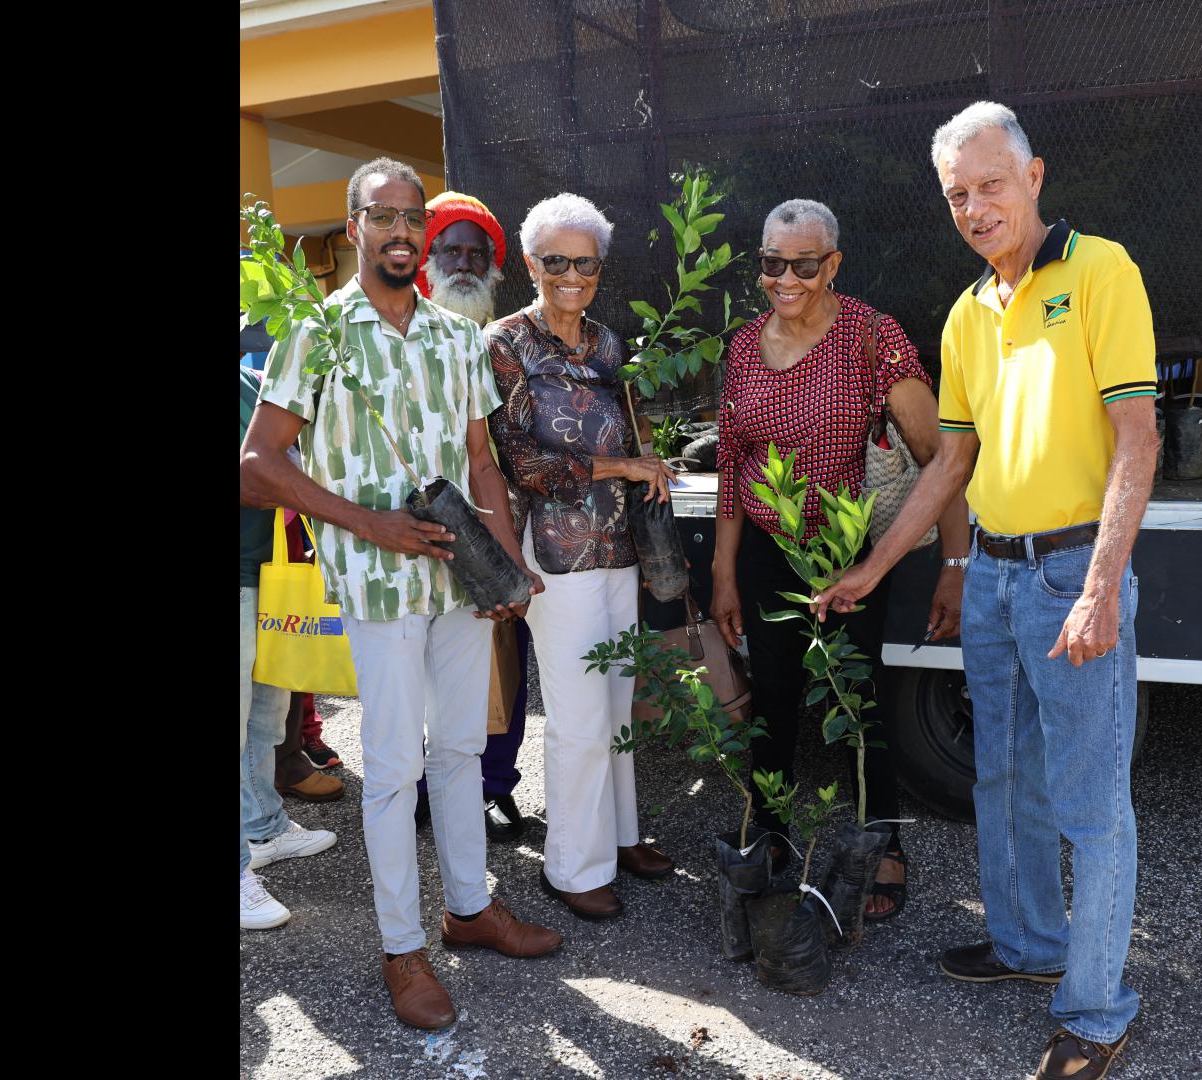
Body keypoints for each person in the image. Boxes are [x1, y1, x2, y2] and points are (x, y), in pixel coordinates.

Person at [814, 102, 1159, 1080]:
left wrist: (1101, 587)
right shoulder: (968, 314)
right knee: (1003, 778)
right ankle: (1026, 948)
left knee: (1094, 811)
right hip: (1000, 577)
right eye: (957, 193)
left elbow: (1139, 440)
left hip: (1069, 572)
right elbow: (949, 463)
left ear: (1035, 176)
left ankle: (1095, 1015)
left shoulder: (1101, 272)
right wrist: (878, 569)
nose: (975, 205)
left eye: (990, 184)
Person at [241, 158, 562, 1031]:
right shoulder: (318, 331)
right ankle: (400, 949)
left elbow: (480, 462)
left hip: (460, 578)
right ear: (352, 228)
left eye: (412, 216)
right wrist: (367, 523)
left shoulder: (460, 337)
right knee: (390, 771)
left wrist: (507, 561)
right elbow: (257, 467)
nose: (400, 230)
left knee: (461, 748)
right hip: (378, 582)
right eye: (381, 214)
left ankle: (468, 909)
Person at [710, 198, 970, 923]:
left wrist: (956, 562)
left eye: (803, 263)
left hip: (849, 551)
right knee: (775, 697)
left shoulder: (869, 334)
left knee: (861, 700)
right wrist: (725, 571)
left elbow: (937, 454)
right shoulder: (741, 347)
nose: (785, 278)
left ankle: (883, 838)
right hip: (768, 547)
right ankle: (769, 837)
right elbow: (734, 463)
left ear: (833, 264)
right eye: (772, 262)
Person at [484, 192, 675, 922]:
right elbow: (518, 458)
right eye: (556, 262)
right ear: (531, 264)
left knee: (619, 701)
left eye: (584, 263)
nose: (571, 275)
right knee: (576, 717)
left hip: (619, 545)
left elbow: (627, 429)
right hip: (553, 551)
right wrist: (619, 469)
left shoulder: (610, 344)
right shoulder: (504, 343)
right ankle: (571, 866)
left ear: (600, 268)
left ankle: (619, 836)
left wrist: (645, 456)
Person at [406, 189, 532, 841]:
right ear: (426, 260)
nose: (461, 262)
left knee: (503, 663)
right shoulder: (394, 335)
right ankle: (426, 789)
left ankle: (493, 786)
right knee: (423, 673)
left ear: (494, 266)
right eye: (448, 250)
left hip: (497, 524)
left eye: (474, 252)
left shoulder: (507, 342)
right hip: (414, 537)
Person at [240, 365, 338, 930]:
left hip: (269, 571)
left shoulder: (257, 380)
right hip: (245, 571)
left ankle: (265, 827)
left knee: (269, 709)